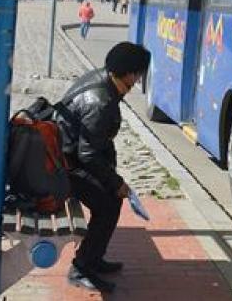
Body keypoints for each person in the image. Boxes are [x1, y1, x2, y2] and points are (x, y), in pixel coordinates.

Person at [59, 41, 151, 293]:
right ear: (129, 73)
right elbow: (87, 154)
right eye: (138, 74)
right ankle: (81, 268)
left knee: (111, 199)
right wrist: (116, 182)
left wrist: (113, 178)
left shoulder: (104, 82)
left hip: (68, 158)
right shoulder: (100, 101)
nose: (138, 80)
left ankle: (93, 257)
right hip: (64, 167)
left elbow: (94, 145)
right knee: (109, 203)